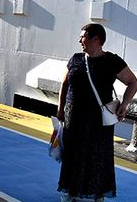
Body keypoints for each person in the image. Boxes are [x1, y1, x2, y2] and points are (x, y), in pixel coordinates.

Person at [56, 23, 137, 201]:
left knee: (98, 156)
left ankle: (98, 194)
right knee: (72, 154)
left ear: (97, 39)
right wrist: (60, 110)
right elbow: (64, 84)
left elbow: (133, 82)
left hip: (97, 120)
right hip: (73, 116)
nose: (80, 40)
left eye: (83, 36)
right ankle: (71, 191)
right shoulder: (76, 59)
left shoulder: (112, 61)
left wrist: (124, 105)